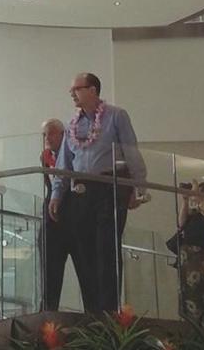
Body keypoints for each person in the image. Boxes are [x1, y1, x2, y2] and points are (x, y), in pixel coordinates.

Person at [49, 74, 146, 315]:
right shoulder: (72, 125)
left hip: (110, 187)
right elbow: (64, 164)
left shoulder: (116, 116)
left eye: (77, 89)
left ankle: (109, 312)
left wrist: (139, 187)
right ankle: (92, 311)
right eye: (71, 89)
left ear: (93, 90)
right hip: (81, 192)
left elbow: (131, 151)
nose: (72, 93)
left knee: (107, 248)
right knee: (85, 251)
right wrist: (56, 194)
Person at [174, 178, 204, 324]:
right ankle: (187, 321)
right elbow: (181, 222)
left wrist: (194, 188)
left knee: (198, 291)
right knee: (186, 292)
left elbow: (202, 204)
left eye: (202, 193)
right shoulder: (197, 213)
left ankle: (203, 324)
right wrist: (185, 200)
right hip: (186, 256)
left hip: (199, 257)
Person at [37, 118, 70, 311]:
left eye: (50, 133)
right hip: (50, 213)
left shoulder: (73, 154)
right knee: (49, 266)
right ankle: (47, 309)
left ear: (62, 134)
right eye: (44, 134)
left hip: (71, 213)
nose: (46, 138)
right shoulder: (44, 157)